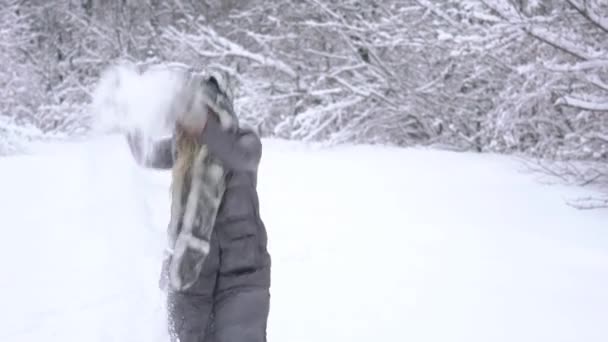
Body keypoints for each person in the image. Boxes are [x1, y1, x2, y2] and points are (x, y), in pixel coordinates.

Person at [125, 73, 271, 342]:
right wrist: (130, 117)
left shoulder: (244, 141)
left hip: (242, 276)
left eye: (203, 113)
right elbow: (145, 155)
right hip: (192, 276)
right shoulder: (182, 150)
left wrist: (204, 126)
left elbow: (238, 158)